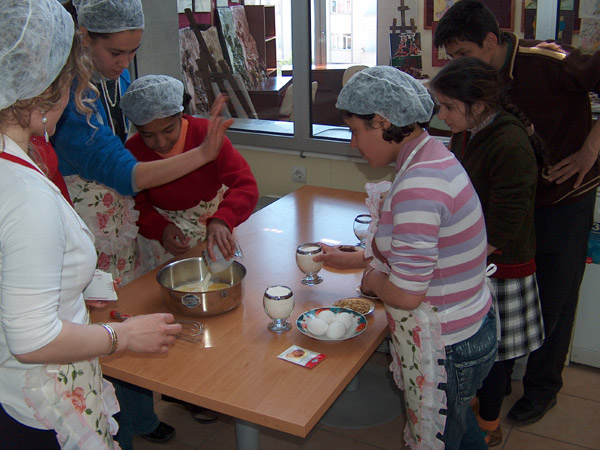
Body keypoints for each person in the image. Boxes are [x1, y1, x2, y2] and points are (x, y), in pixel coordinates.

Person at [0, 1, 182, 449]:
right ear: (52, 87)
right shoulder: (26, 195)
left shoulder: (15, 167)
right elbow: (33, 340)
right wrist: (122, 335)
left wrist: (78, 287)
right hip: (37, 399)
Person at [51, 0, 232, 446]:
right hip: (88, 225)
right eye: (116, 52)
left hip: (121, 222)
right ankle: (123, 430)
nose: (125, 63)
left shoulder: (113, 80)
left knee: (128, 314)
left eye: (133, 51)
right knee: (104, 327)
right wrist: (202, 153)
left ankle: (141, 416)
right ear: (84, 38)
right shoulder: (66, 98)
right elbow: (123, 171)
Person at [434, 0, 600, 425]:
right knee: (506, 295)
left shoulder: (548, 62)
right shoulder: (478, 86)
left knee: (555, 295)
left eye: (464, 54)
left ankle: (543, 387)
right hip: (512, 205)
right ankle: (498, 379)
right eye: (452, 57)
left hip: (562, 198)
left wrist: (591, 149)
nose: (458, 63)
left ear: (492, 40)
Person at [336, 66, 496, 450]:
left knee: (443, 439)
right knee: (458, 427)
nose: (353, 143)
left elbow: (408, 295)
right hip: (470, 322)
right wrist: (363, 259)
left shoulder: (418, 185)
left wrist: (372, 280)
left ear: (382, 121)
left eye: (355, 131)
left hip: (449, 344)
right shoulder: (432, 155)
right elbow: (421, 249)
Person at [429, 57, 545, 446]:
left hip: (501, 261)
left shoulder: (509, 143)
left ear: (478, 106)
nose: (441, 115)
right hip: (476, 256)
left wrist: (459, 259)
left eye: (448, 107)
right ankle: (474, 403)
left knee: (494, 352)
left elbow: (505, 225)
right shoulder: (468, 132)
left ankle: (490, 424)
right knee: (479, 349)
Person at [119, 75, 259, 269]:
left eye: (168, 130)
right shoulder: (133, 150)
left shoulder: (207, 136)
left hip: (214, 223)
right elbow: (136, 203)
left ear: (181, 115)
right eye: (148, 135)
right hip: (163, 233)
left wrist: (223, 219)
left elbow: (245, 185)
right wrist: (160, 228)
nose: (161, 142)